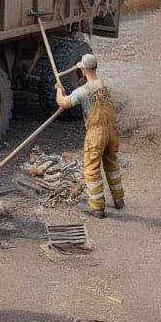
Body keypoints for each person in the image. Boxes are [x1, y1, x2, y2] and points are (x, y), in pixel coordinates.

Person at [55, 53, 125, 217]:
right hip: (111, 131)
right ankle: (119, 199)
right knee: (111, 165)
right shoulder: (103, 86)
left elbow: (63, 103)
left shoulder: (82, 91)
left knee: (92, 169)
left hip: (96, 133)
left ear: (83, 71)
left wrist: (58, 90)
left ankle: (97, 208)